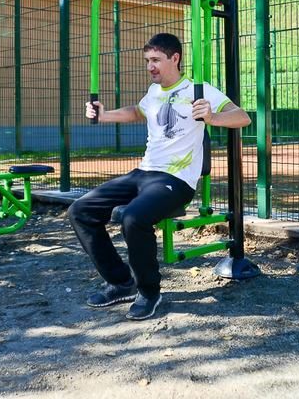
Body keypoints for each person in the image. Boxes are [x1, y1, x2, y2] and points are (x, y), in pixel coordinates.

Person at [67, 32, 251, 320]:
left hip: (175, 180)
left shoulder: (198, 90)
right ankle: (121, 283)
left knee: (133, 218)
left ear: (174, 58)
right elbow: (137, 112)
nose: (150, 66)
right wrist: (104, 115)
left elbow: (242, 117)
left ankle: (149, 291)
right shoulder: (154, 91)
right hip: (144, 172)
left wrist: (212, 117)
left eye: (155, 60)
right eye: (147, 60)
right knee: (80, 210)